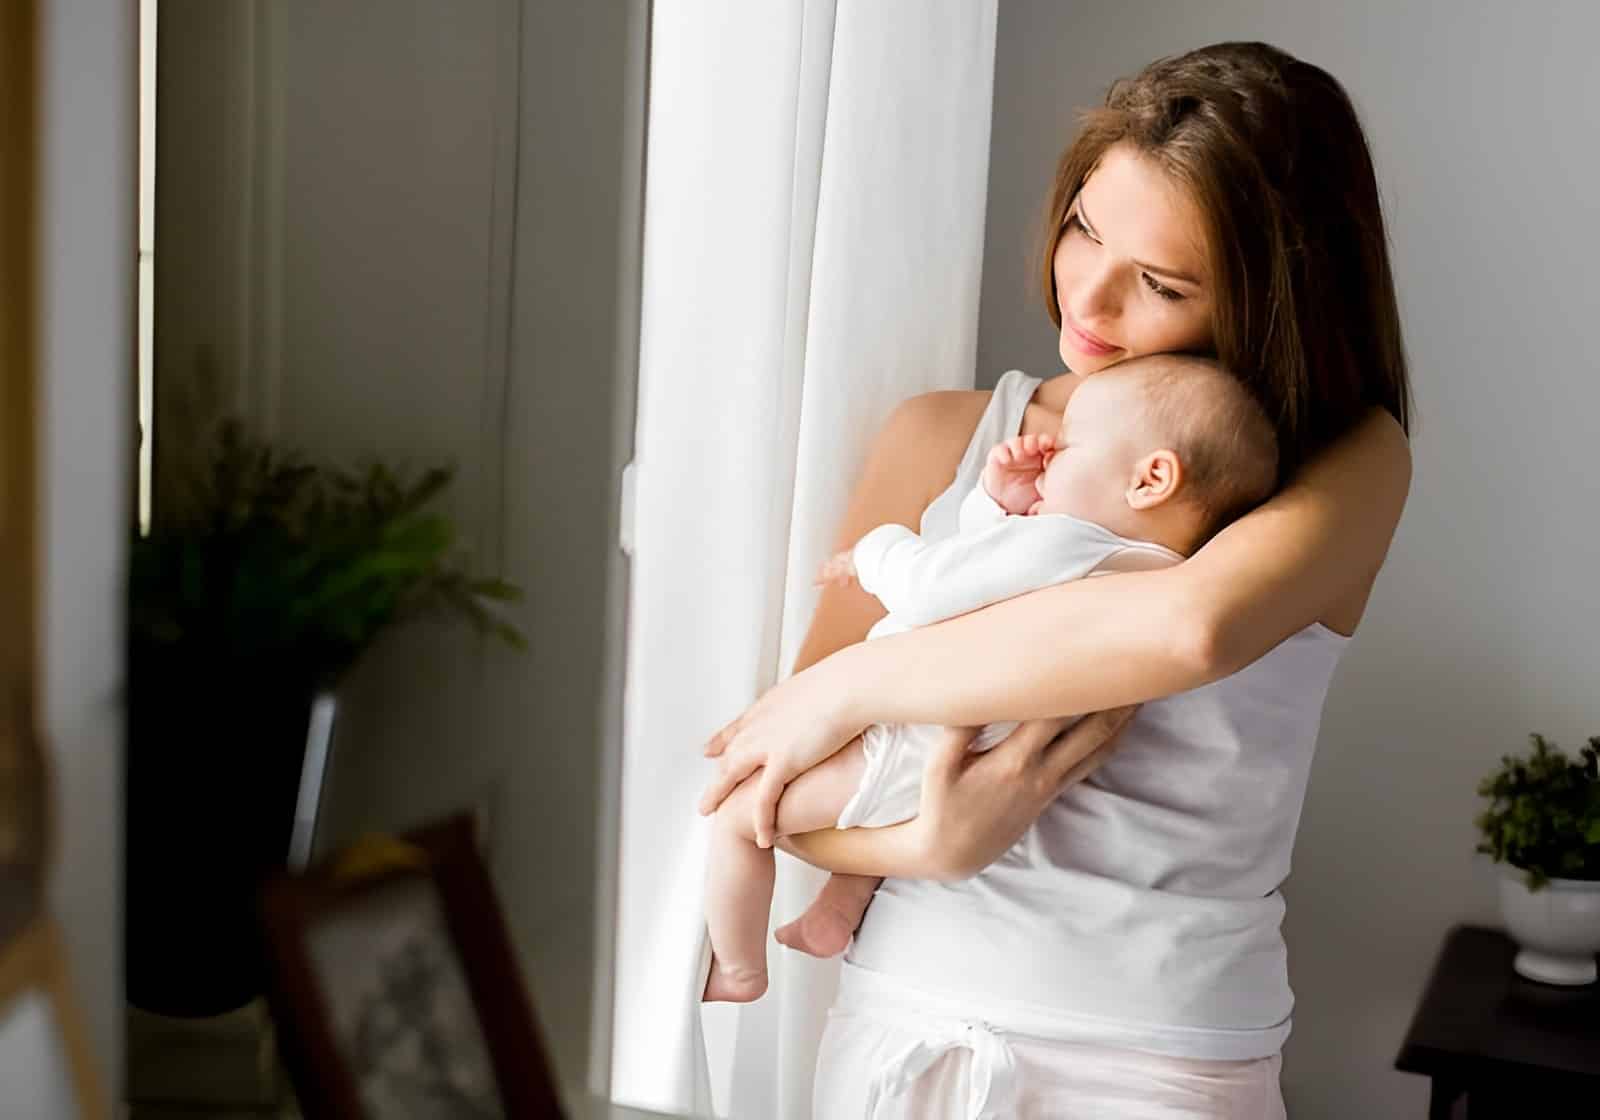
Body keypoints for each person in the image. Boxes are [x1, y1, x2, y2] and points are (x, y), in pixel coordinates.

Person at [695, 40, 1414, 1117]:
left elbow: (1189, 630)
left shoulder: (1343, 461)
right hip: (907, 1013)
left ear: (1273, 298)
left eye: (1160, 283)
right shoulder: (945, 432)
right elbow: (779, 779)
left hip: (1157, 1046)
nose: (1089, 296)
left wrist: (842, 688)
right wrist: (927, 844)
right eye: (1084, 227)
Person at [701, 356, 1279, 1002]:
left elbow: (934, 588)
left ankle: (737, 968)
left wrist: (874, 552)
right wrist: (1000, 508)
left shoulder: (1066, 540)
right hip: (979, 757)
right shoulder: (1161, 574)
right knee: (865, 816)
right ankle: (839, 908)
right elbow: (997, 588)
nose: (1048, 459)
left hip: (905, 738)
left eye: (1066, 448)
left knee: (739, 814)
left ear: (1150, 478)